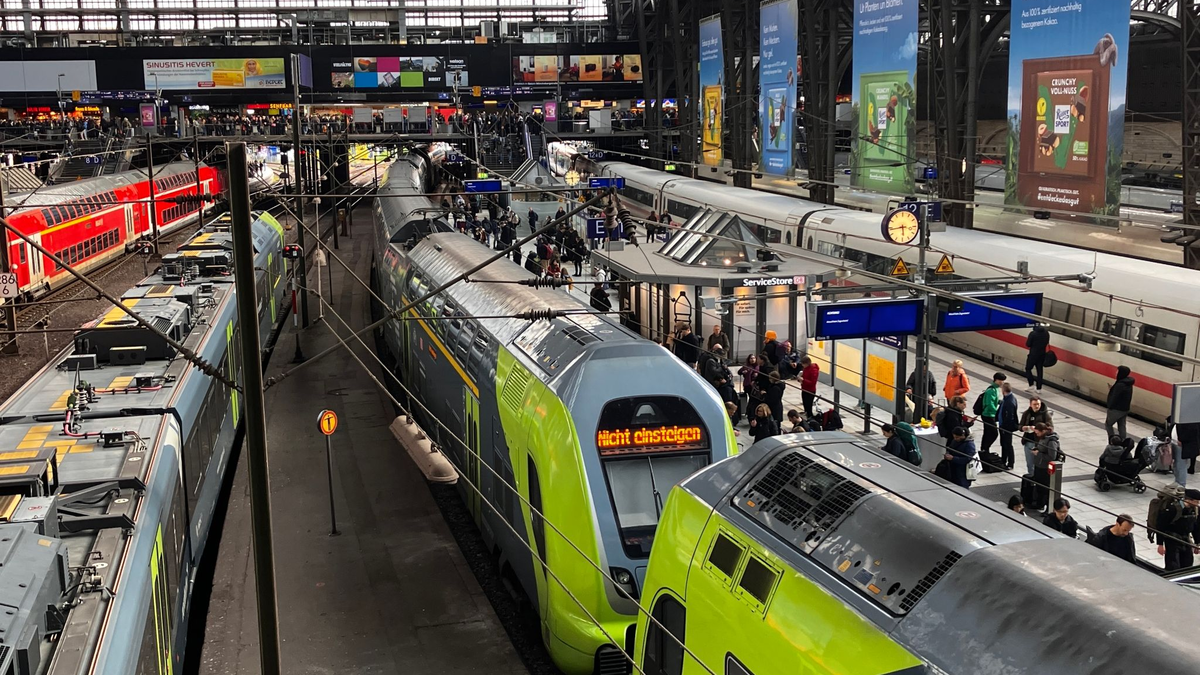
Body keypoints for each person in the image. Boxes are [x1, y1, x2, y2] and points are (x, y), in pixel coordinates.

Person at [1156, 488, 1200, 571]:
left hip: (1185, 539)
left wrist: (1197, 543)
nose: (1198, 504)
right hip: (1172, 539)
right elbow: (1161, 526)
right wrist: (1160, 544)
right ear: (1189, 500)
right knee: (1173, 565)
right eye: (1196, 501)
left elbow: (1196, 526)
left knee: (1188, 563)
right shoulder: (1172, 509)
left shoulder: (1195, 510)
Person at [1030, 422, 1060, 510]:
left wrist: (1038, 454)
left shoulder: (1051, 441)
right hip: (1039, 465)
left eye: (1038, 433)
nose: (1037, 434)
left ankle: (1048, 507)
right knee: (1039, 487)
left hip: (1045, 468)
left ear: (1043, 431)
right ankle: (1040, 503)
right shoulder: (1043, 438)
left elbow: (1052, 456)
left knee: (1046, 489)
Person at [1019, 396, 1051, 476]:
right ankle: (1032, 478)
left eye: (1038, 404)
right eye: (1034, 404)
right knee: (1030, 463)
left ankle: (1038, 479)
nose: (1037, 406)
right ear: (1030, 405)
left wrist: (1039, 429)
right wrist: (1024, 428)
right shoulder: (1027, 413)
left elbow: (1050, 428)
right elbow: (1020, 426)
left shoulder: (1045, 414)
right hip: (1028, 441)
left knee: (1039, 464)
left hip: (1040, 443)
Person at [1105, 365, 1135, 440]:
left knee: (1108, 425)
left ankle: (1112, 440)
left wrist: (1110, 406)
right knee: (1121, 425)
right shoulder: (1128, 383)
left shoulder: (1120, 384)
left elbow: (1114, 397)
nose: (1116, 373)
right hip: (1124, 409)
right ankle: (1122, 441)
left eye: (1117, 371)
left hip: (1116, 409)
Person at [980, 372, 1005, 455]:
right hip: (988, 415)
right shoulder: (991, 390)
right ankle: (985, 447)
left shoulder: (994, 389)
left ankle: (984, 449)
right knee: (994, 433)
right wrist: (996, 412)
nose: (1002, 383)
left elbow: (993, 401)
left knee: (987, 432)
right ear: (996, 380)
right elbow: (989, 403)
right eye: (1001, 381)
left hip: (988, 414)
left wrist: (999, 402)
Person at [998, 381, 1020, 470]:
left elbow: (1009, 416)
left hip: (1006, 427)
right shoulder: (1007, 398)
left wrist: (1004, 426)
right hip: (1003, 425)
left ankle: (1010, 463)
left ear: (1004, 390)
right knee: (1004, 444)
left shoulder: (1010, 401)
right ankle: (1003, 460)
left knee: (1007, 444)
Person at [1025, 325, 1050, 391]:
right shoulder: (1046, 333)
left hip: (1033, 355)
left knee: (1028, 368)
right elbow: (1047, 342)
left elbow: (1028, 344)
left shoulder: (1033, 334)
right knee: (1039, 371)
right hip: (1042, 354)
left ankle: (1031, 384)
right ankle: (1039, 388)